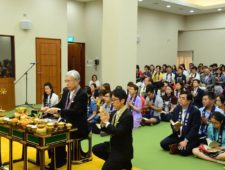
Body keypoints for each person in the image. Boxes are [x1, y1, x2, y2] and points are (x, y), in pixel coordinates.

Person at [43, 70, 88, 169]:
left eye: (69, 81)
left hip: (77, 125)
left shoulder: (82, 94)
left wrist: (58, 111)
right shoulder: (66, 91)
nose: (67, 83)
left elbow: (75, 112)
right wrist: (49, 108)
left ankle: (59, 160)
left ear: (77, 81)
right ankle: (56, 157)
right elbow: (60, 105)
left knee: (58, 133)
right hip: (66, 121)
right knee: (49, 130)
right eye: (66, 81)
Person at [92, 88, 133, 170]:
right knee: (95, 149)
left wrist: (106, 122)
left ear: (122, 100)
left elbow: (118, 133)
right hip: (113, 145)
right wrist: (103, 123)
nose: (112, 102)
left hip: (122, 150)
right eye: (112, 99)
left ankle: (123, 162)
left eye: (114, 100)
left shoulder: (128, 115)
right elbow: (107, 130)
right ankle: (117, 162)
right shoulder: (114, 113)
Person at [160, 91, 201, 156]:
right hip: (178, 135)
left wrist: (186, 140)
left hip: (189, 137)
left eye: (183, 98)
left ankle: (178, 146)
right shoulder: (177, 108)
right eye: (179, 98)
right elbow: (173, 121)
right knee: (163, 144)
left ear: (189, 101)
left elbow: (195, 128)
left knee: (183, 152)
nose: (180, 100)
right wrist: (174, 128)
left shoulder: (195, 111)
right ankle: (178, 145)